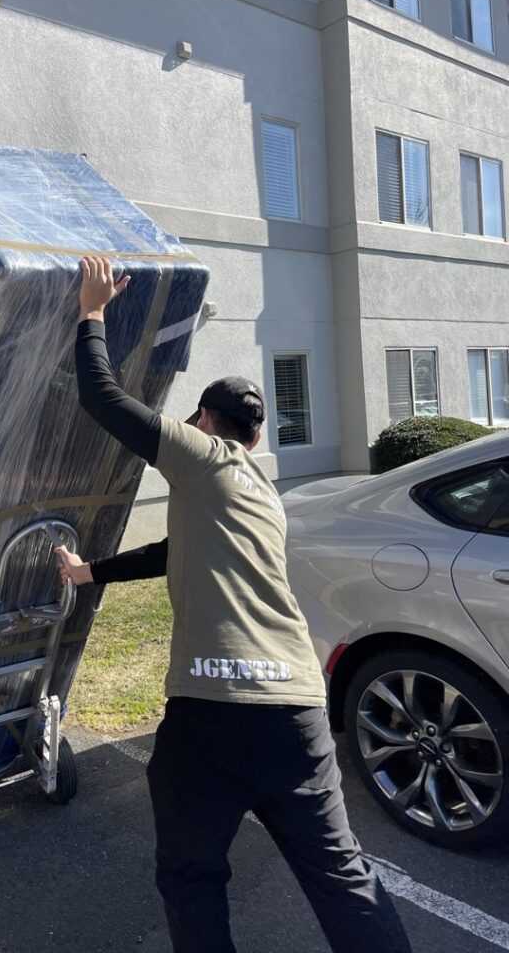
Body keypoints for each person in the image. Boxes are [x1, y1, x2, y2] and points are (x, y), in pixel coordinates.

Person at [56, 255, 413, 953]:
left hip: (214, 715)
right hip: (301, 719)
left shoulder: (203, 456)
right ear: (258, 436)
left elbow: (101, 399)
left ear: (209, 423)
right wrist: (91, 572)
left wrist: (91, 311)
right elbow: (171, 555)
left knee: (192, 878)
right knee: (343, 879)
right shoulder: (261, 496)